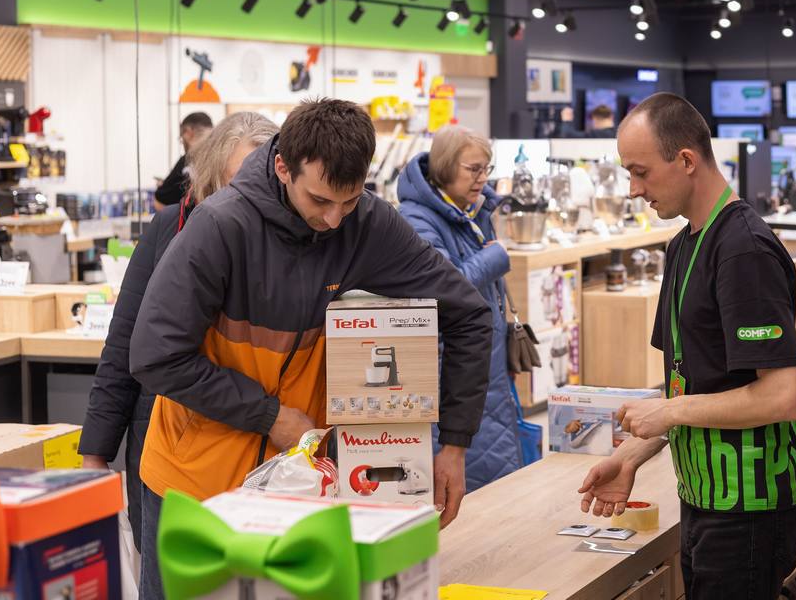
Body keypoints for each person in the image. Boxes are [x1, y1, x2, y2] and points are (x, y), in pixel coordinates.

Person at [129, 99, 493, 599]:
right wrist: (270, 417)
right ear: (283, 167)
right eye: (320, 200)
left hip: (299, 488)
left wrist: (453, 446)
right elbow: (154, 356)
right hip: (194, 487)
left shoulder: (367, 224)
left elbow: (469, 314)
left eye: (350, 200)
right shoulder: (219, 226)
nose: (335, 219)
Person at [578, 93, 796, 598]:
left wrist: (668, 412)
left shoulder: (744, 250)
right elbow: (691, 386)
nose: (634, 190)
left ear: (685, 160)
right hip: (704, 497)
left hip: (749, 507)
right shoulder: (683, 245)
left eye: (640, 172)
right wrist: (631, 457)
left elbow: (783, 395)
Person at [79, 112, 278, 550]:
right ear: (212, 178)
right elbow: (124, 343)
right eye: (237, 182)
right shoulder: (171, 227)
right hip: (164, 445)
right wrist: (95, 452)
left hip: (258, 448)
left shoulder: (288, 243)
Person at [396, 125, 523, 491]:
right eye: (473, 169)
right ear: (446, 166)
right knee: (466, 473)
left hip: (484, 359)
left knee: (492, 471)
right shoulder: (417, 219)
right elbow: (444, 289)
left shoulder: (469, 211)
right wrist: (495, 258)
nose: (483, 179)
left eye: (486, 169)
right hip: (451, 363)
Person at [153, 112, 213, 210]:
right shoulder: (223, 154)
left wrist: (167, 186)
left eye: (181, 138)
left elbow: (159, 202)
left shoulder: (188, 160)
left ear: (188, 132)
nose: (182, 142)